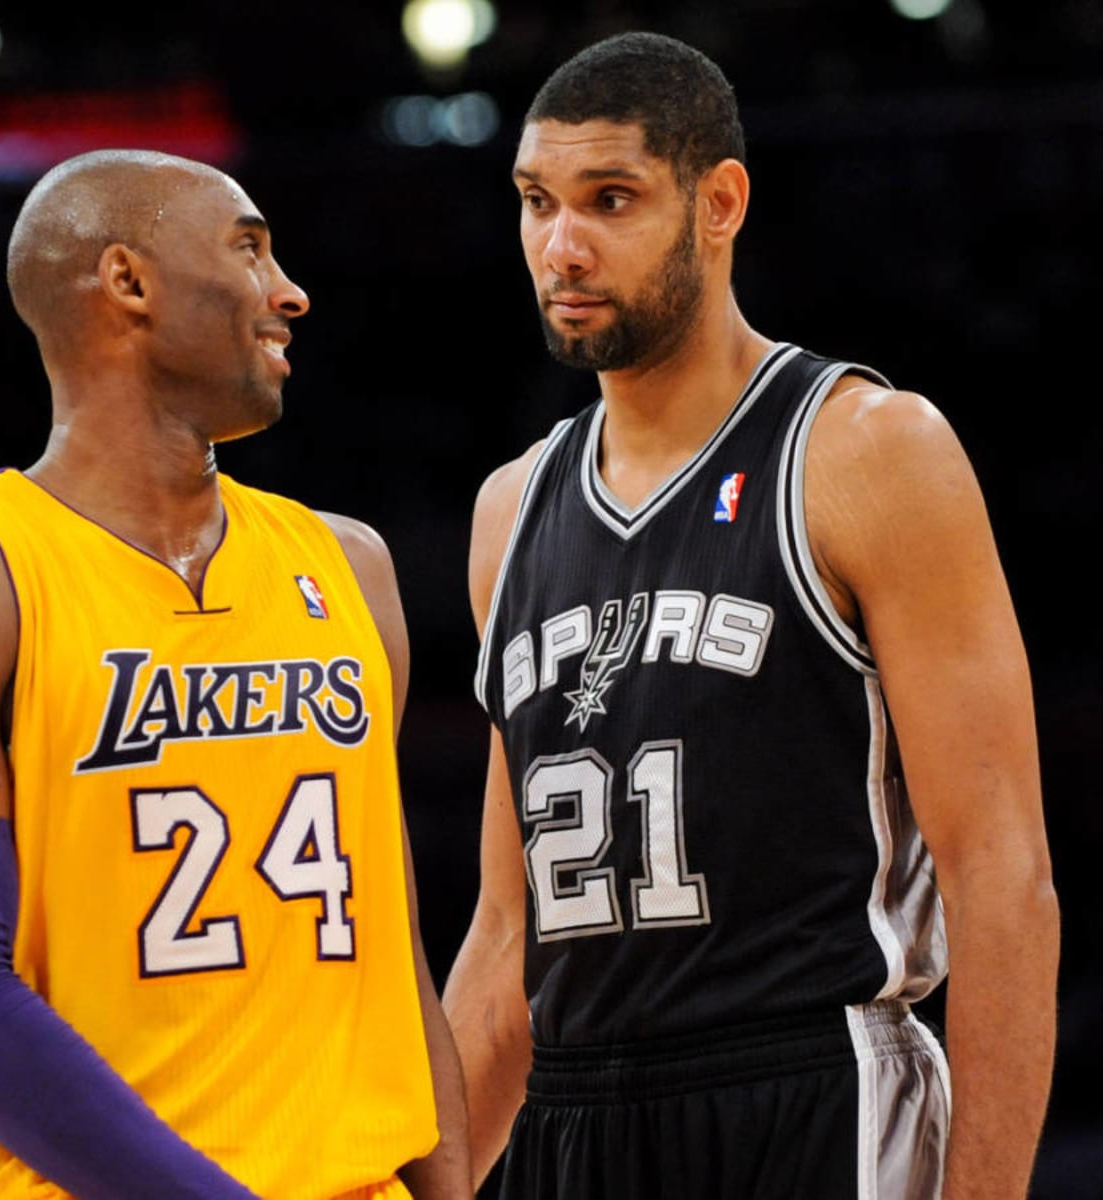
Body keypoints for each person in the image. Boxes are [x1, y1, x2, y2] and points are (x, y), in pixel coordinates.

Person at [441, 30, 1059, 1200]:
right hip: (575, 1121)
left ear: (717, 202)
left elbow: (1002, 877)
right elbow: (502, 939)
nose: (560, 247)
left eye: (609, 200)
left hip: (812, 1087)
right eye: (535, 203)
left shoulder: (865, 452)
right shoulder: (509, 511)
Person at [0, 148, 472, 1200]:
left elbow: (391, 962)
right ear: (128, 281)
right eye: (249, 248)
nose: (288, 291)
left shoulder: (349, 567)